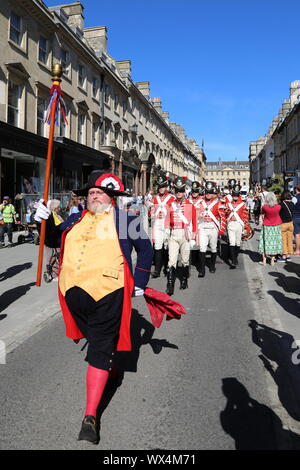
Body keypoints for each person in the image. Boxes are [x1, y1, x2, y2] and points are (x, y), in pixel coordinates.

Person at [34, 171, 153, 444]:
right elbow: (53, 240)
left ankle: (90, 417)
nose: (93, 196)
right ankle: (108, 363)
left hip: (109, 293)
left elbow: (145, 250)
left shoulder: (125, 220)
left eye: (99, 192)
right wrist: (44, 221)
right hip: (72, 292)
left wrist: (141, 281)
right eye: (90, 192)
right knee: (99, 342)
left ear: (111, 196)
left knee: (99, 347)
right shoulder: (76, 217)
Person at [165, 177, 197, 295]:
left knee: (184, 260)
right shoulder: (170, 205)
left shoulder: (190, 205)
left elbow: (194, 222)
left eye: (181, 190)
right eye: (177, 190)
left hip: (185, 235)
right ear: (174, 191)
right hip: (173, 234)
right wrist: (166, 232)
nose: (179, 193)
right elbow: (167, 219)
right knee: (171, 260)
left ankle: (184, 280)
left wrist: (193, 237)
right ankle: (170, 284)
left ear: (184, 191)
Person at [196, 181, 227, 277]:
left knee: (213, 248)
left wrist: (221, 229)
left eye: (210, 192)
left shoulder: (218, 203)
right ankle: (202, 270)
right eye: (206, 192)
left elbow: (222, 217)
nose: (208, 194)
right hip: (202, 227)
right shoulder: (200, 202)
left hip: (213, 227)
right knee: (202, 247)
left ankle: (212, 265)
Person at [149, 172, 175, 278]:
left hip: (168, 223)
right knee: (158, 246)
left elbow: (174, 212)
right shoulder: (154, 198)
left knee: (168, 246)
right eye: (159, 187)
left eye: (162, 186)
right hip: (158, 224)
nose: (161, 189)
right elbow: (151, 211)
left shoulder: (172, 198)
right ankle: (157, 270)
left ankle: (168, 267)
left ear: (166, 187)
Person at [224, 184, 250, 268]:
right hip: (231, 224)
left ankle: (235, 257)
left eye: (236, 195)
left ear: (238, 195)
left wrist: (246, 227)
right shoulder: (228, 204)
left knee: (238, 243)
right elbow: (225, 215)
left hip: (239, 224)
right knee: (231, 242)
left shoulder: (243, 204)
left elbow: (246, 216)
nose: (235, 196)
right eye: (234, 195)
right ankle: (233, 260)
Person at [258, 191, 282, 266]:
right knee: (275, 242)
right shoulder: (278, 207)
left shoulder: (264, 207)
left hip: (267, 226)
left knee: (264, 242)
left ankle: (264, 260)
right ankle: (272, 261)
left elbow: (262, 214)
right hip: (276, 226)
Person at [277, 192, 294, 262]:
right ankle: (289, 255)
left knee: (283, 240)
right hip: (291, 223)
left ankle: (284, 256)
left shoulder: (281, 204)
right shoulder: (292, 204)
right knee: (289, 240)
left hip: (283, 224)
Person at [292, 185, 300, 255]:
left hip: (296, 217)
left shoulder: (295, 198)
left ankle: (297, 250)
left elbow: (291, 206)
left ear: (296, 190)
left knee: (297, 234)